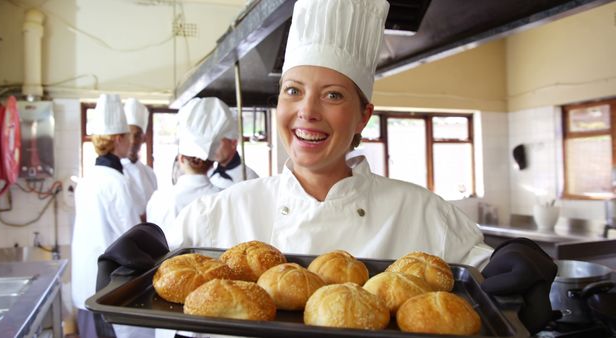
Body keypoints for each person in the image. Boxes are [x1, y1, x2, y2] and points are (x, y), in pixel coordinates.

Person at [98, 0, 557, 335]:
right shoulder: (218, 214)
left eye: (333, 95)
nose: (307, 112)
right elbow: (159, 287)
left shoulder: (422, 213)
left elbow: (484, 282)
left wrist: (517, 264)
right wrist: (138, 253)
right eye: (293, 91)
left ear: (362, 116)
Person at [72, 93, 140, 338]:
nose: (131, 143)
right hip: (105, 283)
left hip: (86, 282)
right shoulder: (115, 182)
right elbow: (132, 236)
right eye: (129, 137)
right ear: (118, 139)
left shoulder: (88, 178)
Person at [146, 97, 225, 244]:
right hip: (211, 266)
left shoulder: (159, 198)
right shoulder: (223, 196)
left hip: (163, 266)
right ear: (212, 161)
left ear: (181, 159)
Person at [206, 105, 259, 189]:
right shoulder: (209, 174)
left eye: (218, 143)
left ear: (233, 143)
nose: (213, 148)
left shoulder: (250, 177)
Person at [122, 98, 158, 220]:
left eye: (137, 135)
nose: (133, 141)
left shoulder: (149, 173)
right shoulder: (115, 174)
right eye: (128, 134)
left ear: (143, 137)